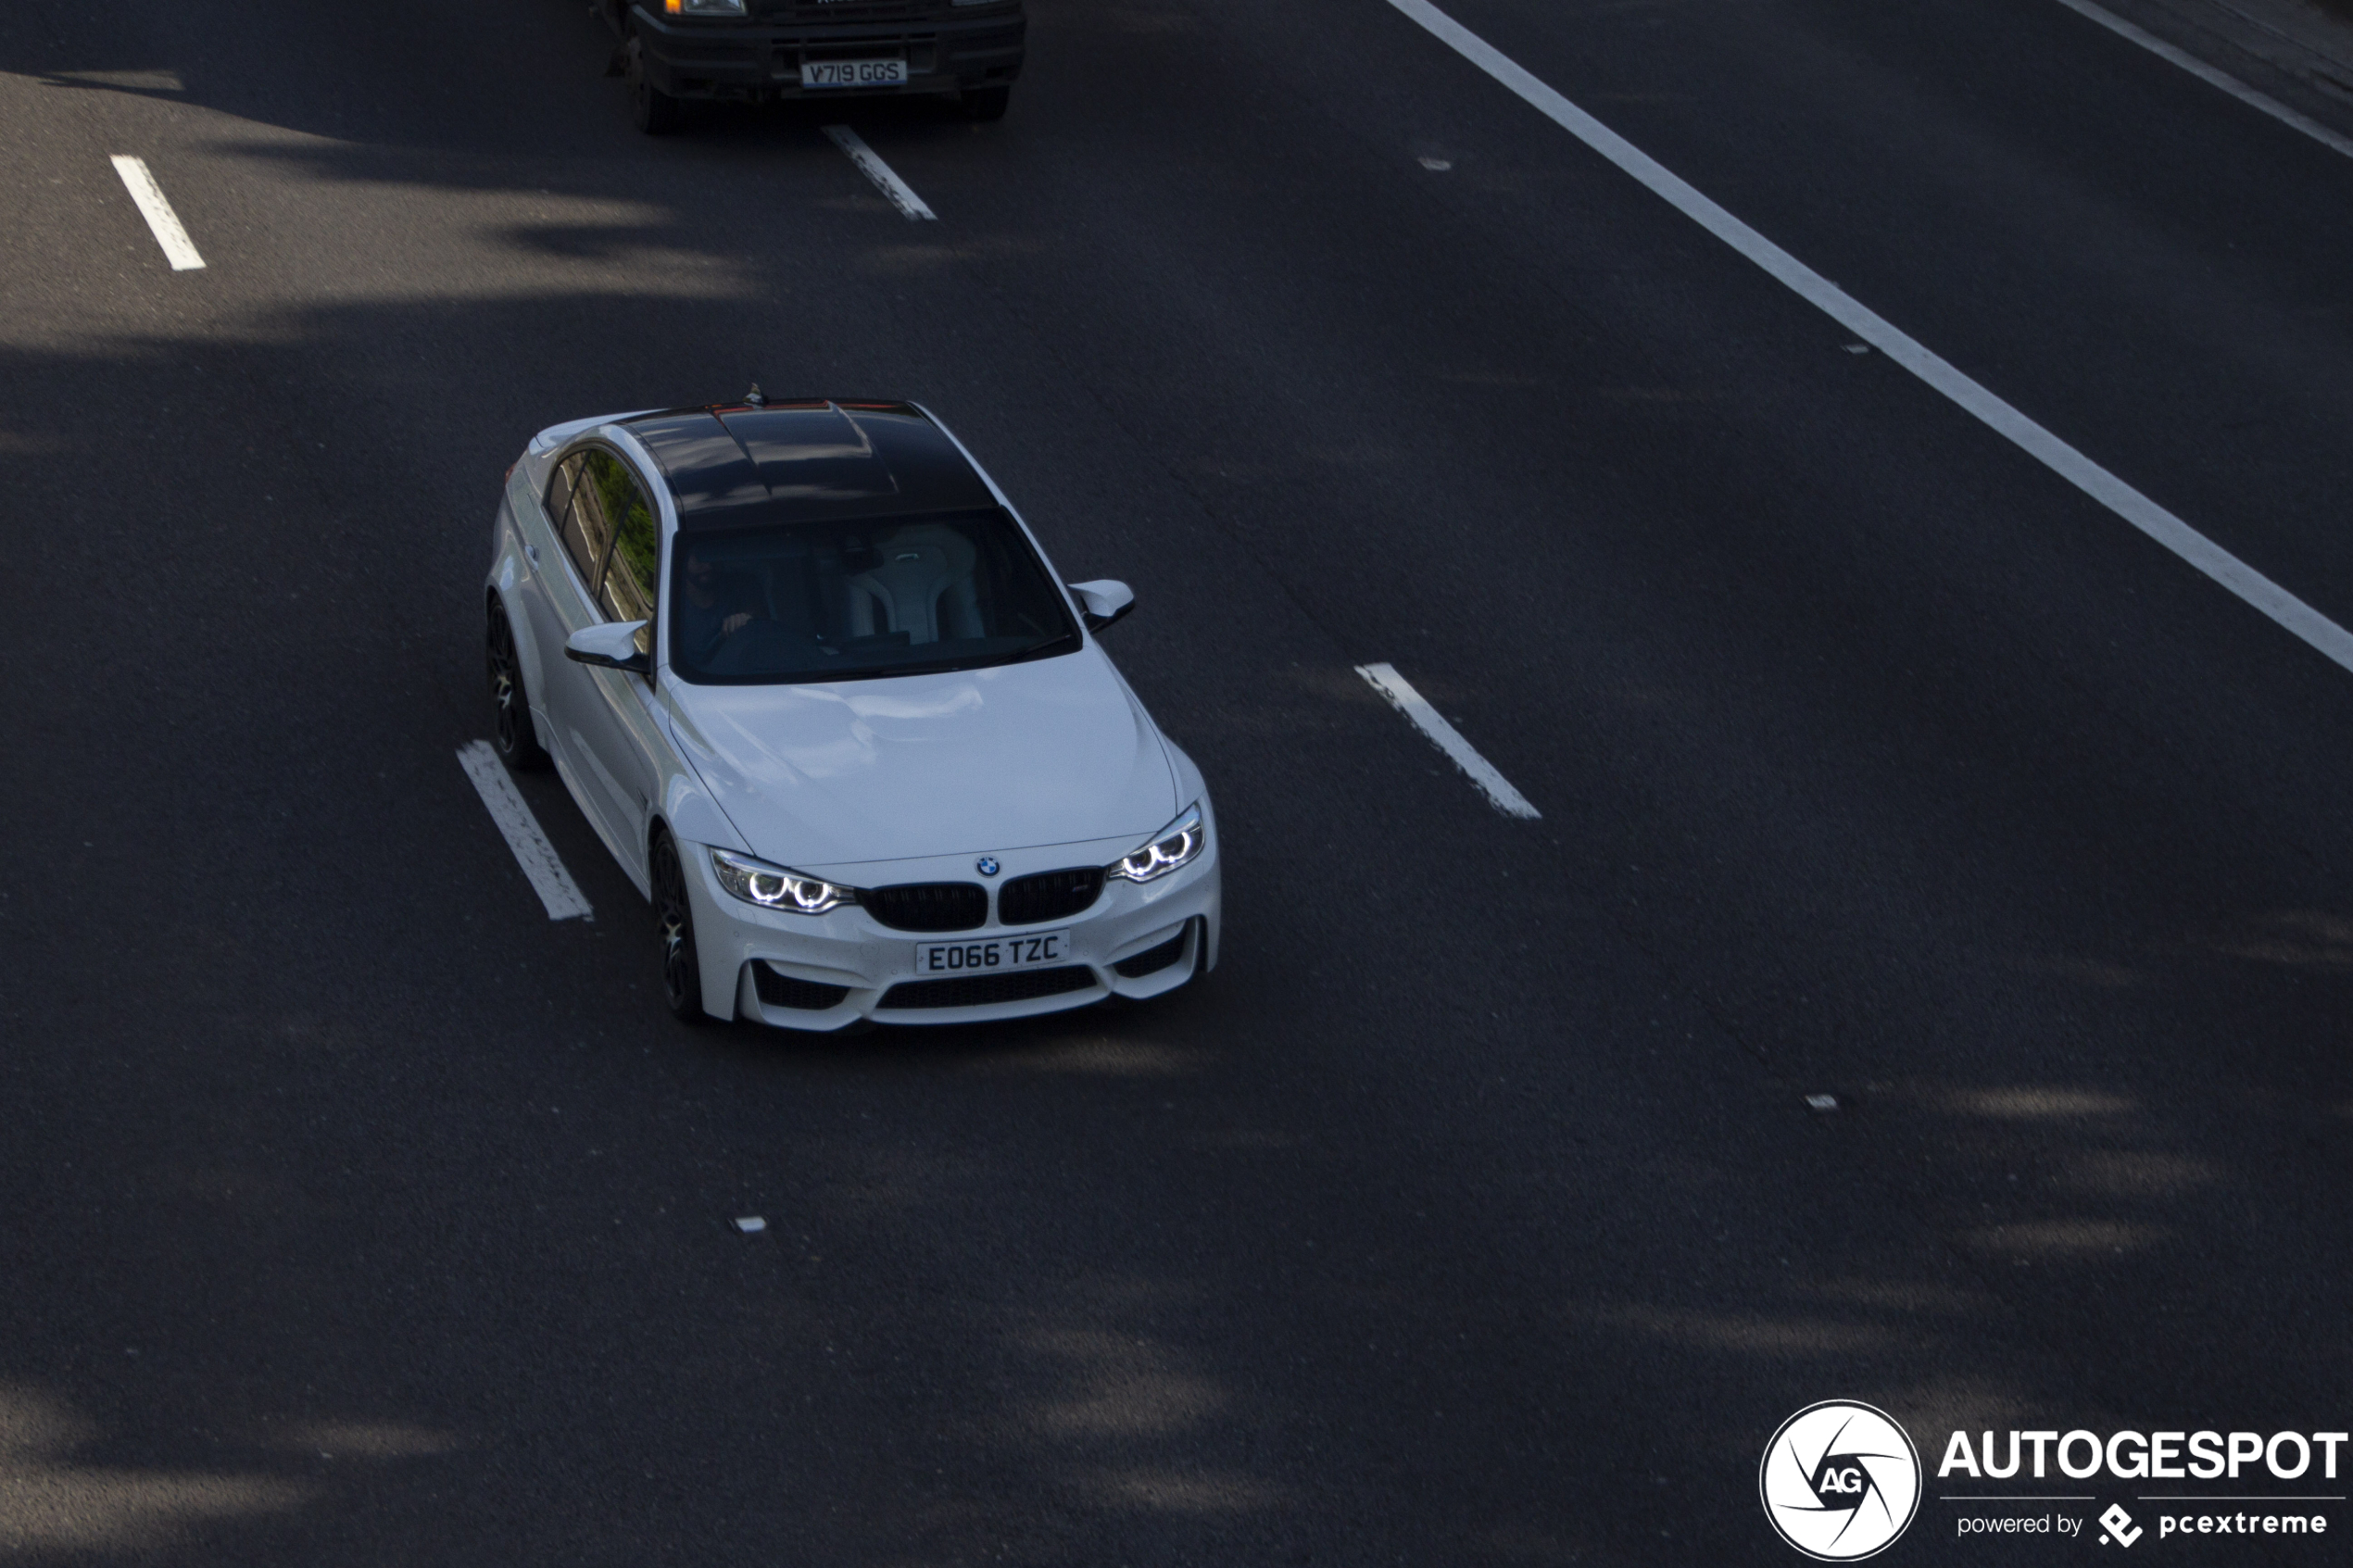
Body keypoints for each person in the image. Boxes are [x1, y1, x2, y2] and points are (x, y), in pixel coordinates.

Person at [673, 546, 763, 661]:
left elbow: (762, 625)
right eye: (699, 558)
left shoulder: (742, 588)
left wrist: (747, 621)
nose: (708, 565)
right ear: (683, 560)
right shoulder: (670, 602)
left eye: (712, 557)